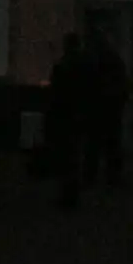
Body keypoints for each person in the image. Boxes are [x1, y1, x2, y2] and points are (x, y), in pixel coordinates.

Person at [83, 29, 129, 189]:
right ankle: (111, 177)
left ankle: (92, 176)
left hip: (98, 108)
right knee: (111, 145)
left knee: (94, 145)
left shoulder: (92, 60)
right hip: (110, 109)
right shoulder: (114, 60)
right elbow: (122, 86)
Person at [48, 33, 89, 209]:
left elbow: (55, 94)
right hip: (75, 116)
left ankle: (67, 194)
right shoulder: (82, 67)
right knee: (73, 157)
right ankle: (71, 194)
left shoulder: (63, 66)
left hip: (65, 116)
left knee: (66, 157)